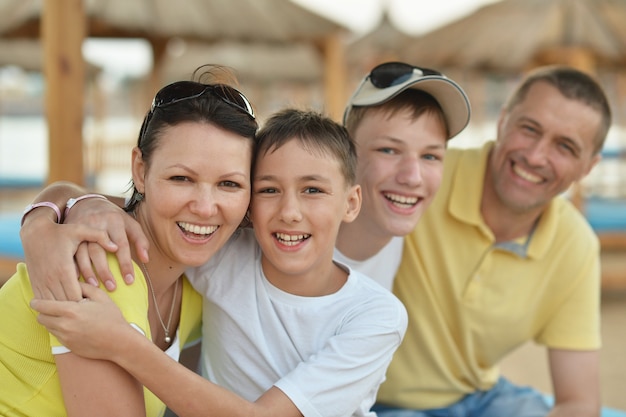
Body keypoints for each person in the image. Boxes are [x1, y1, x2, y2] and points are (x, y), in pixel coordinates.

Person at [30, 108, 409, 417]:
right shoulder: (224, 252)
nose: (290, 212)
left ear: (351, 202)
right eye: (268, 190)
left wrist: (121, 343)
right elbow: (138, 212)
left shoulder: (375, 316)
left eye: (313, 190)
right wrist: (47, 219)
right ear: (248, 204)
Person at [0, 66, 258, 416]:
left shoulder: (202, 280)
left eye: (229, 184)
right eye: (181, 178)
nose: (204, 207)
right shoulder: (99, 264)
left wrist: (56, 205)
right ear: (140, 170)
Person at [371, 65, 610, 417]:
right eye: (530, 129)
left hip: (481, 397)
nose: (535, 156)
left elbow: (578, 401)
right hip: (380, 401)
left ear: (588, 167)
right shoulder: (420, 179)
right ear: (502, 122)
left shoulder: (576, 245)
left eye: (565, 146)